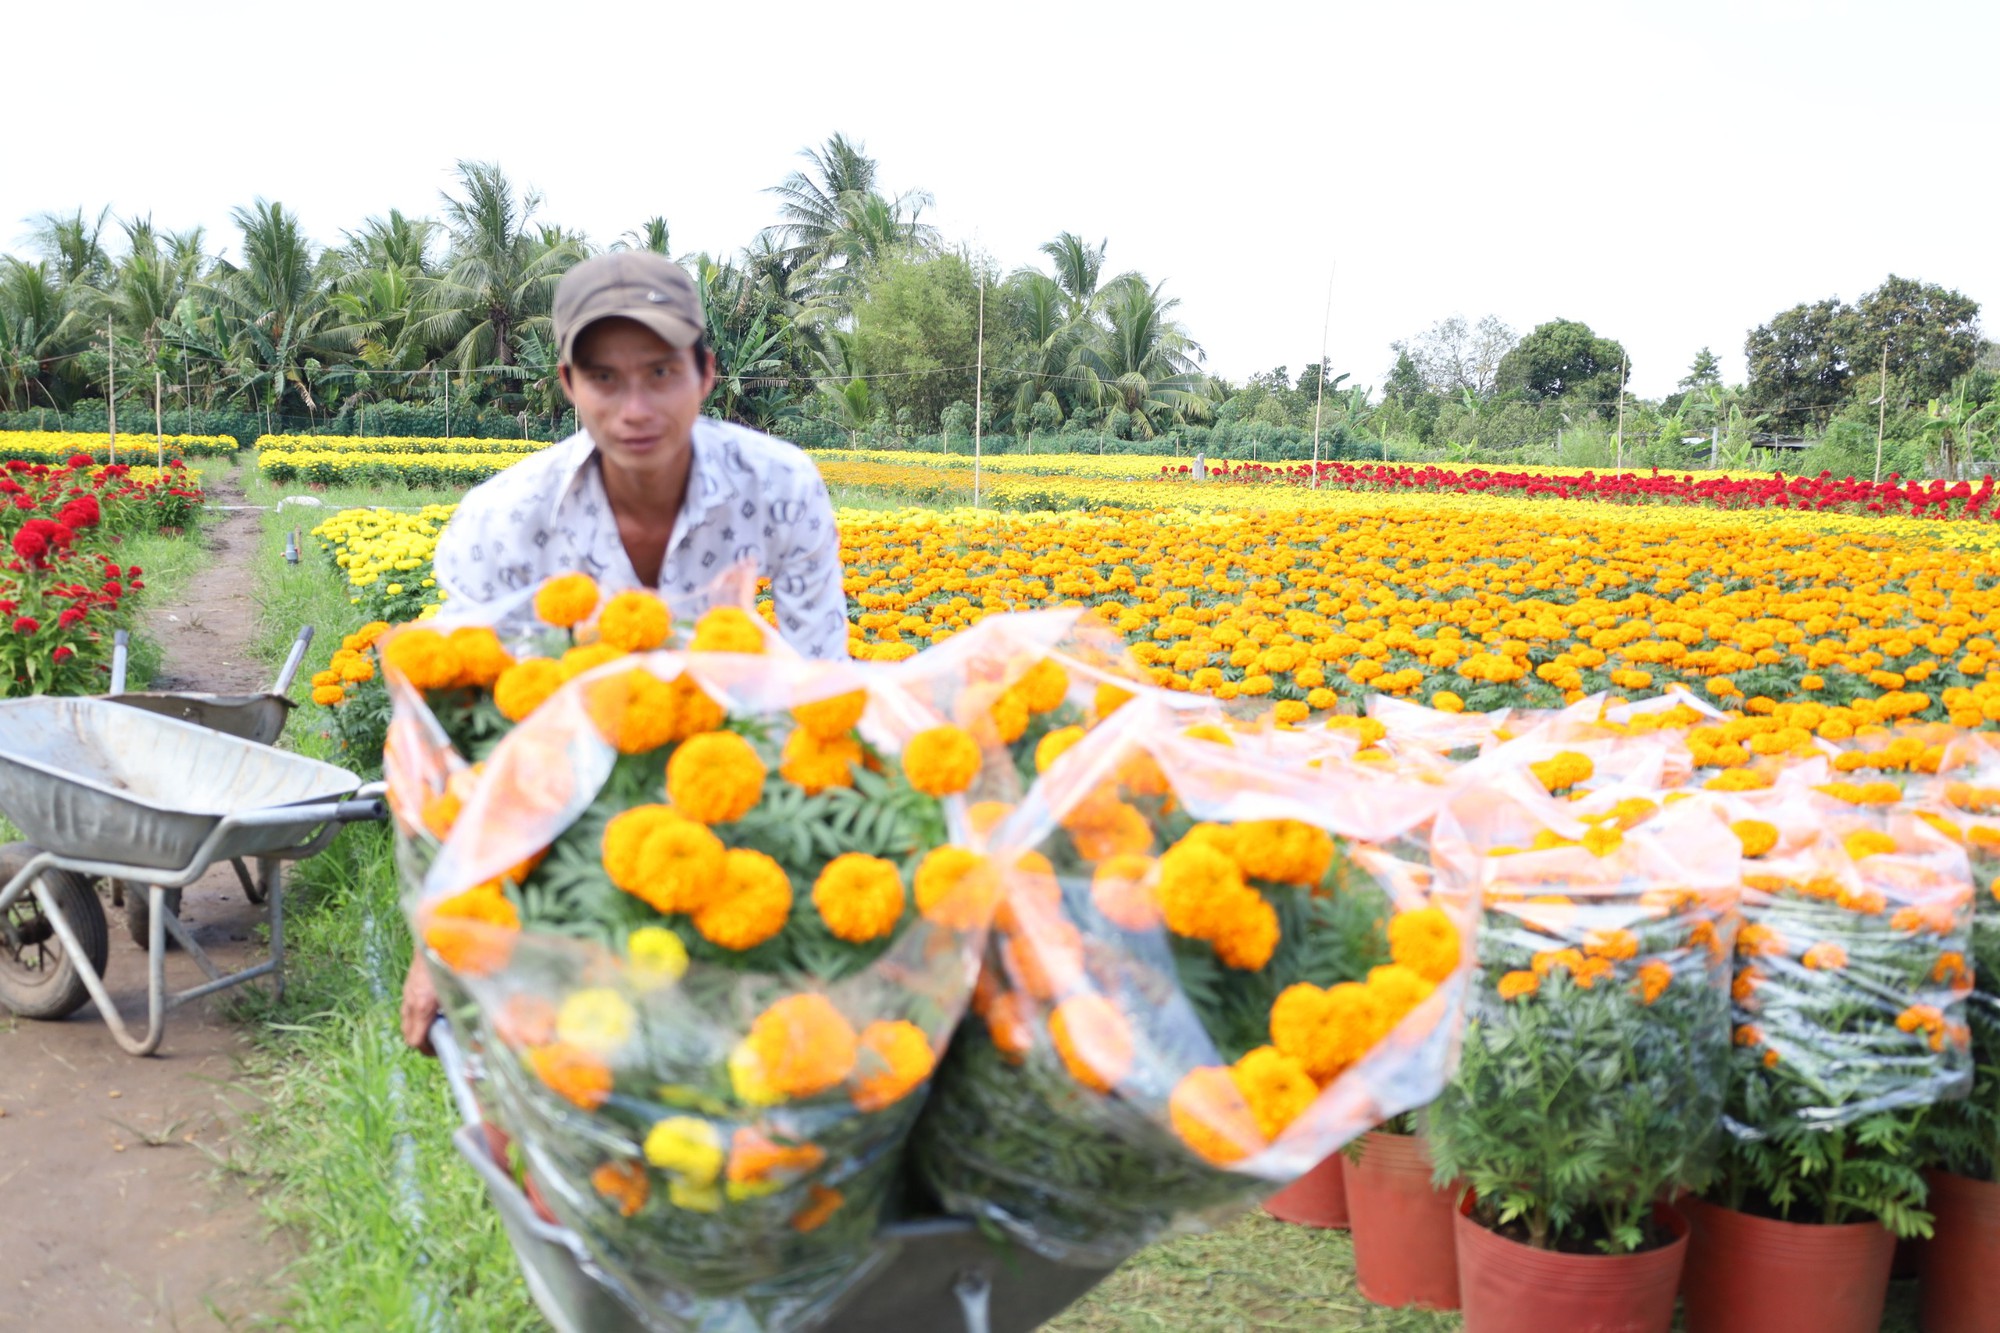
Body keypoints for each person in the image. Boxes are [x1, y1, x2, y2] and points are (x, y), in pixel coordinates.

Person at [400, 251, 850, 1051]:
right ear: (568, 382)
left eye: (660, 372)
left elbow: (822, 686)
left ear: (707, 372)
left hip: (744, 804)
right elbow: (447, 737)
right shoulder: (506, 518)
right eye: (605, 379)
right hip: (559, 816)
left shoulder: (779, 486)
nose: (635, 407)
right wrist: (442, 930)